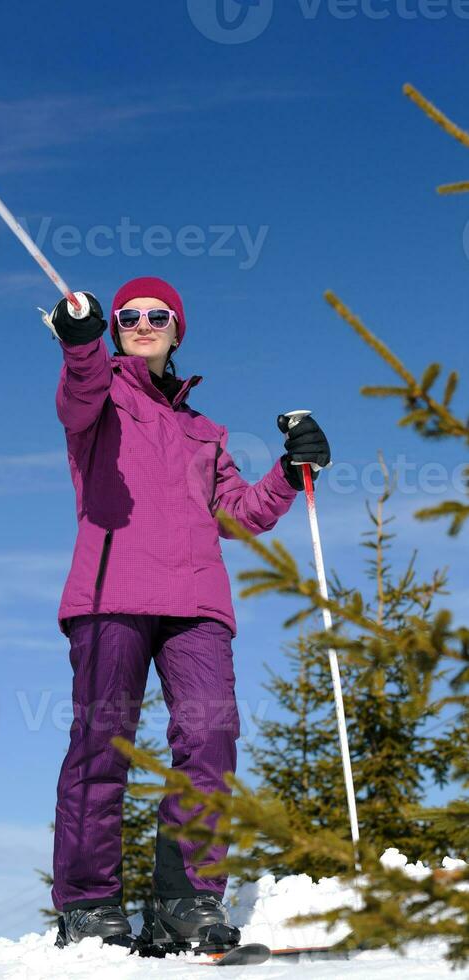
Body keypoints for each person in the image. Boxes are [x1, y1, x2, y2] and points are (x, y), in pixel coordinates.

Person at [48, 276, 331, 950]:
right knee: (102, 744)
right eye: (127, 316)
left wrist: (290, 474)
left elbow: (236, 512)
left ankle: (185, 901)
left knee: (209, 741)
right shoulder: (100, 397)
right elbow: (77, 391)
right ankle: (90, 906)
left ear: (178, 330)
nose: (142, 323)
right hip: (110, 594)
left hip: (197, 605)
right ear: (113, 328)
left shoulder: (204, 431)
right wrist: (80, 343)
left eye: (157, 315)